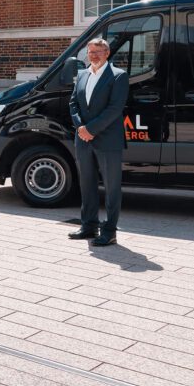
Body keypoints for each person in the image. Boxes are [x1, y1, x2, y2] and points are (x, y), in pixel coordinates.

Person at [68, 37, 129, 247]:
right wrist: (80, 127)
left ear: (107, 53)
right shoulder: (83, 74)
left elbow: (115, 108)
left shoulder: (118, 76)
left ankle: (109, 231)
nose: (93, 55)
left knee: (112, 188)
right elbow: (73, 102)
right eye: (90, 52)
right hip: (83, 139)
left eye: (98, 52)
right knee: (87, 184)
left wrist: (90, 129)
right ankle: (89, 226)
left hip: (108, 141)